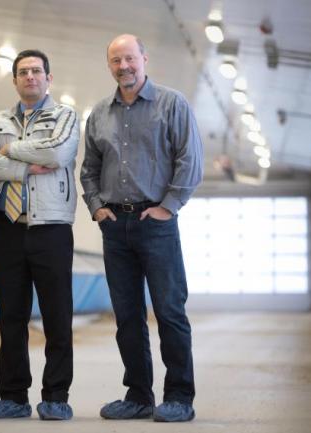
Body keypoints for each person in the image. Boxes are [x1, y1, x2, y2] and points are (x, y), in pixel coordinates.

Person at [80, 34, 203, 423]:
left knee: (169, 311)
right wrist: (98, 208)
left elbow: (190, 161)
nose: (124, 67)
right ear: (109, 66)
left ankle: (180, 396)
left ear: (144, 59)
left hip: (157, 223)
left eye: (130, 58)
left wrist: (168, 207)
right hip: (116, 226)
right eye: (116, 60)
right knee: (127, 316)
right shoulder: (99, 113)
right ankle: (138, 396)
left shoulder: (172, 104)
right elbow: (89, 170)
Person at [0, 49, 79, 421]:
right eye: (23, 72)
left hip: (51, 227)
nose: (30, 77)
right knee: (12, 317)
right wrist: (26, 169)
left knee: (56, 316)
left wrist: (12, 150)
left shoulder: (65, 116)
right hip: (8, 228)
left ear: (49, 78)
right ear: (14, 80)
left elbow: (59, 153)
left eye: (37, 71)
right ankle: (14, 396)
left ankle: (56, 395)